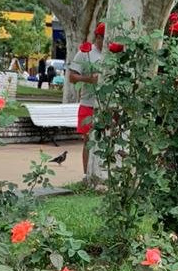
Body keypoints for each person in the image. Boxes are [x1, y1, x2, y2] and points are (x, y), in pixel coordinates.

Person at [68, 22, 105, 175]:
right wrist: (89, 79)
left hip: (106, 106)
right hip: (88, 104)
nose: (107, 42)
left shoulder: (112, 54)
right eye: (104, 38)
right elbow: (72, 77)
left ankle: (102, 174)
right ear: (97, 36)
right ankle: (86, 175)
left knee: (105, 142)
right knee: (88, 142)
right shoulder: (85, 52)